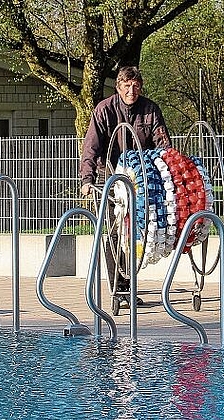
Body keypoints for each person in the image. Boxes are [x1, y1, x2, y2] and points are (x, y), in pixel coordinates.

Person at [79, 66, 171, 308]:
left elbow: (162, 143)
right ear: (119, 87)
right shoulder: (104, 110)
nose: (132, 90)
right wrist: (87, 179)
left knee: (137, 233)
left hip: (142, 181)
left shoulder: (150, 110)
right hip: (110, 178)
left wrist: (168, 170)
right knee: (112, 235)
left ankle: (129, 285)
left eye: (136, 86)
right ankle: (118, 288)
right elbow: (91, 146)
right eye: (127, 86)